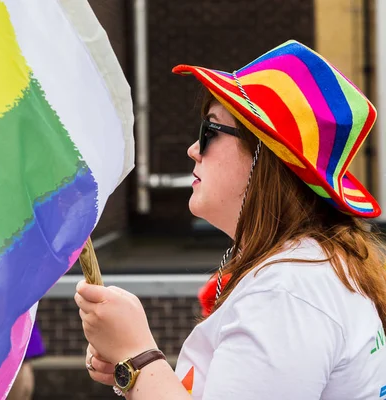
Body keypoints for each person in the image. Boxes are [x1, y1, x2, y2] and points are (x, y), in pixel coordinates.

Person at [74, 40, 386, 399]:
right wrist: (132, 370)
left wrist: (137, 355)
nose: (193, 149)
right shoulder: (306, 271)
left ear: (263, 158)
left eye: (211, 130)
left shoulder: (285, 294)